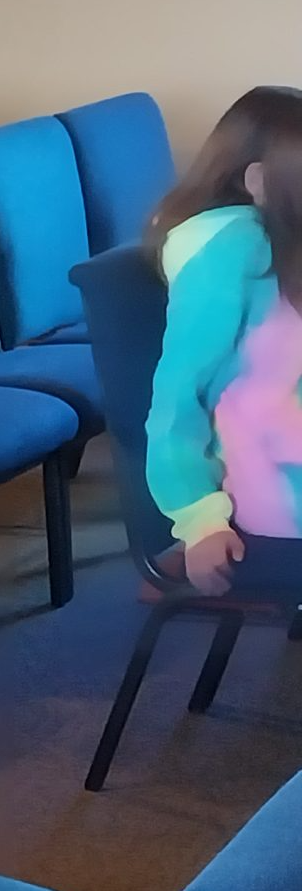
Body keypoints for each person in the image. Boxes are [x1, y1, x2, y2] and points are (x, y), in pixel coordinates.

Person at [147, 83, 302, 598]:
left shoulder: (282, 240)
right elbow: (176, 399)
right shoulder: (231, 252)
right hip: (276, 498)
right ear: (258, 180)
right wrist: (199, 521)